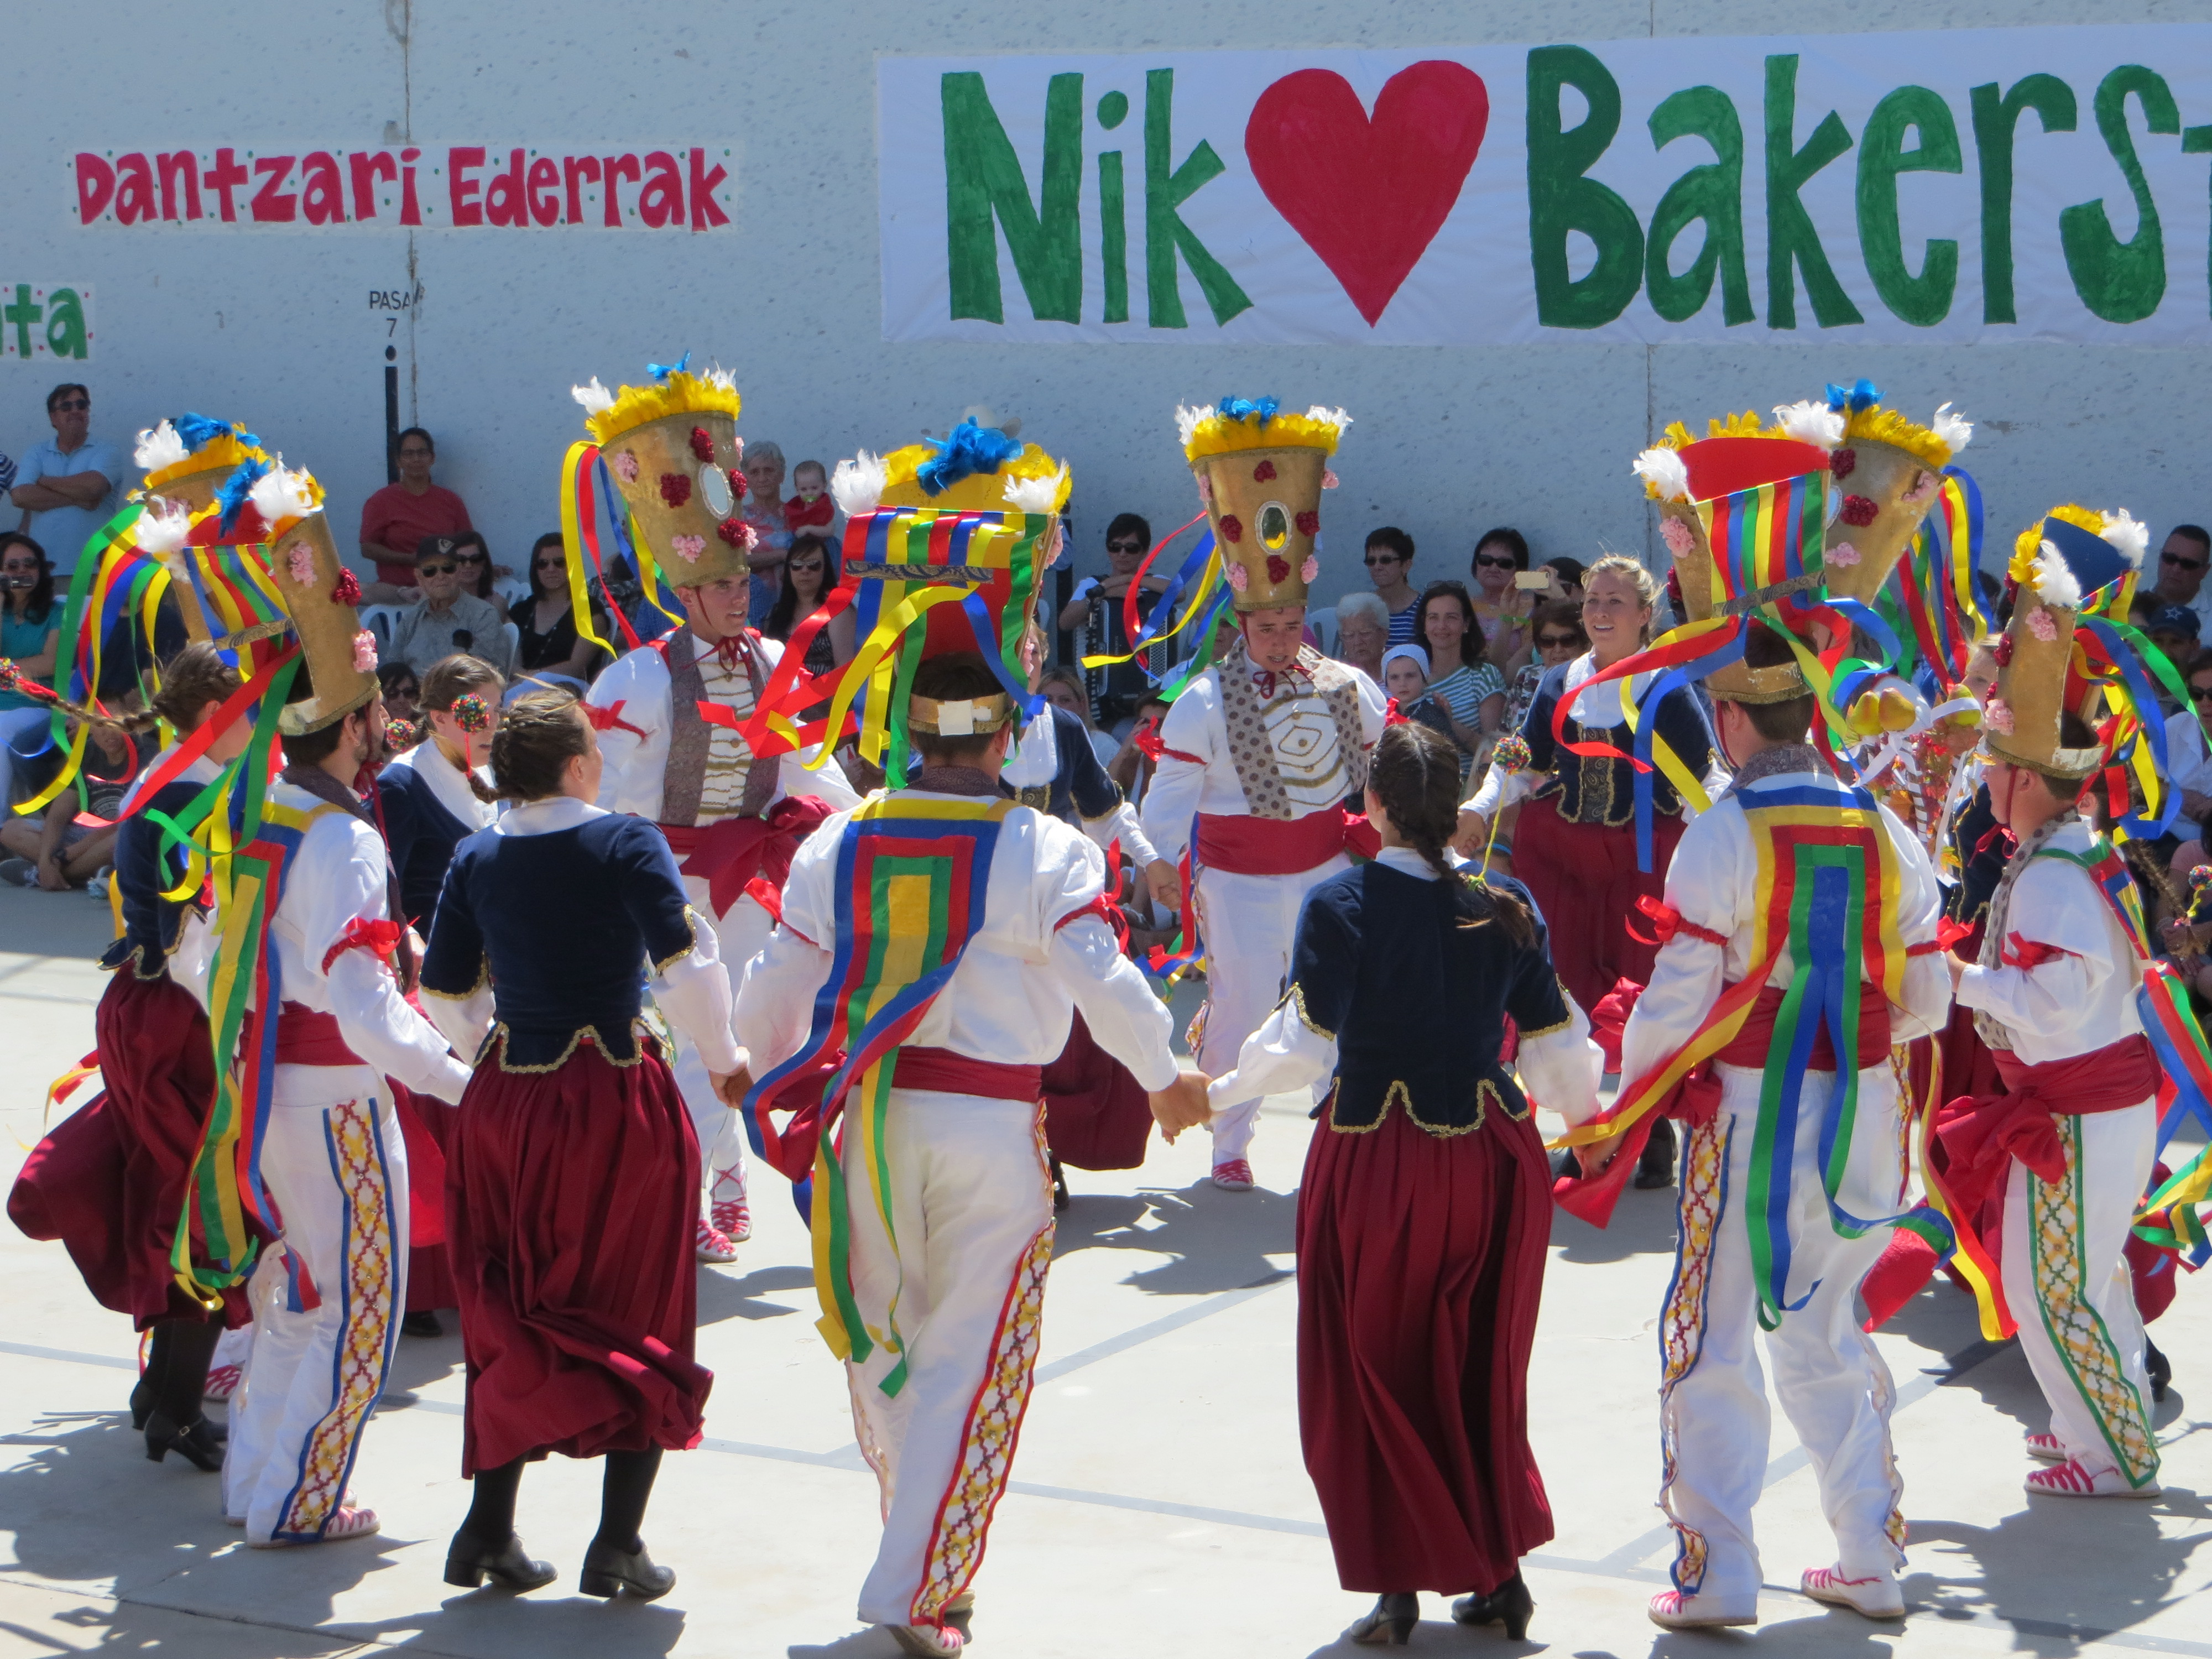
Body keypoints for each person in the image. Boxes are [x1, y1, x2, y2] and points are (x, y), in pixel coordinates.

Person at [737, 647, 1208, 1656]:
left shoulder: (840, 839)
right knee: (971, 1355)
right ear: (1004, 742)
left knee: (891, 1340)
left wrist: (748, 1065)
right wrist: (1164, 1077)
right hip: (988, 1130)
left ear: (910, 738)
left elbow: (776, 981)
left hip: (865, 1124)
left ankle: (923, 1564)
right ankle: (918, 1582)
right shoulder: (1044, 847)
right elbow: (1107, 978)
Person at [1563, 617, 1950, 1631]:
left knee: (1713, 1334)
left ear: (1730, 720)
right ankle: (1870, 1555)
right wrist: (1855, 1039)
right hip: (1865, 1105)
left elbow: (1678, 999)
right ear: (1806, 716)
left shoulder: (1724, 834)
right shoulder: (1883, 822)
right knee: (1830, 1326)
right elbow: (1932, 995)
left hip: (1749, 1115)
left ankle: (1721, 1572)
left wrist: (1625, 1100)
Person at [1207, 722, 1600, 1645]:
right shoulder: (1504, 905)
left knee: (1372, 1369)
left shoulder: (1342, 905)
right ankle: (1499, 1578)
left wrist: (1211, 1096)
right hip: (1488, 1162)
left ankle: (1398, 1591)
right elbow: (1558, 1046)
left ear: (1373, 806)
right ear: (1450, 807)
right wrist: (1588, 1130)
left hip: (1378, 1158)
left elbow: (1302, 1046)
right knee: (1473, 1366)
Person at [421, 691, 747, 1600]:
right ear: (576, 764)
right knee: (636, 1297)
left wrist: (501, 1036)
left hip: (509, 1102)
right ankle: (617, 1544)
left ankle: (487, 1529)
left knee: (514, 1297)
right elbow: (687, 963)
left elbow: (444, 994)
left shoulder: (476, 855)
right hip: (610, 1096)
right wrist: (727, 1059)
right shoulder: (623, 841)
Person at [574, 363, 858, 1262]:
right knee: (688, 1042)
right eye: (726, 584)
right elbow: (599, 790)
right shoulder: (641, 677)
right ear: (684, 586)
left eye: (746, 581)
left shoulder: (778, 656)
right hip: (664, 882)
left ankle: (733, 1178)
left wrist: (873, 820)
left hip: (753, 883)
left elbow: (813, 766)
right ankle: (709, 1183)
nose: (742, 595)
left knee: (739, 1035)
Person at [1943, 506, 2170, 1500]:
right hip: (2096, 1108)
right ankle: (2100, 1425)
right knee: (2086, 1278)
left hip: (2079, 1110)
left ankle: (2110, 1454)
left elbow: (2059, 1001)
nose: (1986, 780)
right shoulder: (2068, 854)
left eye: (1996, 768)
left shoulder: (2050, 875)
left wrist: (1956, 979)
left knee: (2052, 1289)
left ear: (2033, 781)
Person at [6, 645, 255, 1471]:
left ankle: (162, 1393)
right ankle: (177, 1408)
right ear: (214, 716)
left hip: (145, 1005)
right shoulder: (189, 795)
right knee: (201, 1208)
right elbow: (198, 935)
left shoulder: (166, 777)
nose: (254, 726)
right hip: (180, 1016)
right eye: (245, 712)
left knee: (170, 1195)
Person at [1142, 398, 1384, 1191]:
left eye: (1290, 622)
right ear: (1241, 620)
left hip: (1328, 876)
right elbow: (1170, 801)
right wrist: (1155, 862)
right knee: (1242, 1006)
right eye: (1266, 625)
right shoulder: (1203, 702)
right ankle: (1226, 1143)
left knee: (1336, 1004)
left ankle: (1339, 1132)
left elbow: (1386, 778)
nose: (1281, 637)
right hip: (1238, 885)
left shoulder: (1348, 687)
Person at [1459, 554, 1724, 1036]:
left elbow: (1706, 779)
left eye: (1616, 601)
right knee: (1562, 973)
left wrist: (1735, 837)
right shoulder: (1559, 682)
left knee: (1643, 979)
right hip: (1567, 854)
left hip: (1643, 856)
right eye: (1595, 600)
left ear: (1644, 615)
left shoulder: (1665, 686)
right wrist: (1478, 806)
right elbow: (1520, 761)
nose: (1601, 611)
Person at [0, 708, 141, 888]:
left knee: (122, 838)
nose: (109, 732)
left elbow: (126, 822)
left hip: (118, 833)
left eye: (116, 723)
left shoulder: (144, 753)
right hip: (84, 835)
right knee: (11, 830)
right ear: (88, 727)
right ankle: (82, 873)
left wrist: (65, 857)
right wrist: (46, 860)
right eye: (100, 724)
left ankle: (43, 876)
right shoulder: (87, 751)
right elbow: (59, 815)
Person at [1060, 512, 1175, 728]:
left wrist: (1130, 581)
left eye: (1131, 548)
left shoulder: (1154, 582)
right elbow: (1065, 622)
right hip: (1097, 688)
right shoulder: (1092, 585)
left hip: (1146, 690)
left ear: (1145, 552)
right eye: (1115, 547)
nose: (1122, 554)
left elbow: (1179, 593)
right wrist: (1103, 594)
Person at [9, 384, 122, 567]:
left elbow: (94, 488)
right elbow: (20, 497)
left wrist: (43, 481)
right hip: (44, 572)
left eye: (81, 405)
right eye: (66, 407)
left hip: (95, 571)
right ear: (53, 418)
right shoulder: (36, 452)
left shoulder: (107, 451)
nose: (75, 411)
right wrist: (80, 499)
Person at [359, 426, 473, 599]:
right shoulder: (381, 501)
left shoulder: (451, 501)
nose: (416, 459)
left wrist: (485, 568)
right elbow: (367, 548)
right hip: (398, 594)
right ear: (398, 461)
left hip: (445, 592)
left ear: (432, 458)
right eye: (408, 454)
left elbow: (468, 546)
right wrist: (409, 559)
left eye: (422, 453)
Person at [388, 535, 515, 678]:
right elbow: (394, 671)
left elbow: (489, 678)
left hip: (461, 697)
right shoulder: (411, 620)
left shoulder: (483, 615)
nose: (440, 576)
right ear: (419, 577)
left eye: (448, 568)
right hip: (414, 698)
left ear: (458, 571)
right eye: (430, 571)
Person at [1415, 579, 1505, 778]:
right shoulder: (1411, 678)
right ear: (1424, 623)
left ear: (1466, 624)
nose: (1441, 626)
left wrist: (1448, 722)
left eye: (1451, 618)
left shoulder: (1484, 675)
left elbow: (1495, 753)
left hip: (1469, 790)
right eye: (1433, 617)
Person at [1, 531, 61, 808]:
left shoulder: (58, 611)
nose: (23, 570)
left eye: (30, 564)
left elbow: (50, 662)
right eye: (13, 566)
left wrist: (3, 669)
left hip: (33, 704)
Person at [512, 533, 611, 684]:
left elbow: (576, 667)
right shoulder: (523, 609)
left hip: (566, 690)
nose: (551, 569)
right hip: (520, 687)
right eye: (543, 563)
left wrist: (531, 677)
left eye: (559, 562)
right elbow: (507, 656)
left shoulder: (590, 612)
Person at [763, 530, 853, 669]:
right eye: (797, 565)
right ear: (789, 570)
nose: (805, 571)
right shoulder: (775, 613)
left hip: (828, 690)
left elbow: (844, 667)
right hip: (781, 688)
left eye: (814, 565)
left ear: (825, 569)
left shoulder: (839, 610)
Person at [1503, 599, 1586, 734]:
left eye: (1568, 640)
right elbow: (1506, 731)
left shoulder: (1593, 679)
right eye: (1548, 641)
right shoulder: (1526, 676)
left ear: (1583, 643)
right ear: (1538, 646)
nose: (1558, 649)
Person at [740, 437, 791, 622]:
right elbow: (733, 562)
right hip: (754, 609)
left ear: (782, 475)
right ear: (746, 479)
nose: (762, 478)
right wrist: (781, 555)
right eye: (755, 472)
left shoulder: (797, 514)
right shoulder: (739, 519)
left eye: (769, 470)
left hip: (797, 608)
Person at [1468, 526, 1535, 664]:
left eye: (1504, 563)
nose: (1493, 568)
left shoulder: (1532, 609)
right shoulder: (1462, 606)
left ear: (1520, 570)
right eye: (1485, 560)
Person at [1035, 666, 1120, 770]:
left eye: (1065, 700)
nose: (1055, 706)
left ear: (1081, 705)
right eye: (1048, 700)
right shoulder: (1024, 744)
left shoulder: (1101, 745)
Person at [1362, 526, 1421, 644]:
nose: (1377, 567)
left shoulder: (1424, 609)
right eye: (1371, 561)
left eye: (1386, 560)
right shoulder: (1362, 609)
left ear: (1406, 565)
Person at [2151, 523, 2212, 634]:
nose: (2176, 569)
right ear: (2160, 557)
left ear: (2205, 571)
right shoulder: (2128, 605)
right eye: (2170, 558)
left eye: (2188, 564)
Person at [450, 529, 512, 623]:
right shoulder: (438, 599)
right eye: (461, 559)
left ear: (484, 563)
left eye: (475, 559)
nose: (468, 565)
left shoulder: (497, 603)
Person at [1331, 590, 1387, 682]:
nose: (1358, 642)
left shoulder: (1400, 670)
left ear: (1384, 634)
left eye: (1365, 633)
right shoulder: (1339, 677)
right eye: (1350, 635)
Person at [784, 457, 835, 535]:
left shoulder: (825, 506)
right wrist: (784, 515)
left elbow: (830, 531)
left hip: (822, 544)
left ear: (824, 486)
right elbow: (789, 525)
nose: (809, 493)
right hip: (800, 543)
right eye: (804, 489)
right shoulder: (795, 506)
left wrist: (809, 529)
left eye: (814, 488)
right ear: (797, 490)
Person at [377, 662, 422, 726]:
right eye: (392, 693)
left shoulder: (429, 732)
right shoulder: (368, 734)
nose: (401, 700)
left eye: (409, 693)